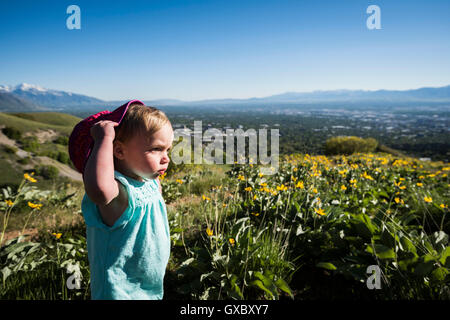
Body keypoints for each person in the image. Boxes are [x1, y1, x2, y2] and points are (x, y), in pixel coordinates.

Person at [68, 100, 174, 299]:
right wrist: (104, 139)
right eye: (156, 149)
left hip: (147, 285)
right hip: (118, 289)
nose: (166, 157)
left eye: (168, 149)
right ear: (118, 151)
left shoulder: (149, 181)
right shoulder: (118, 190)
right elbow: (99, 189)